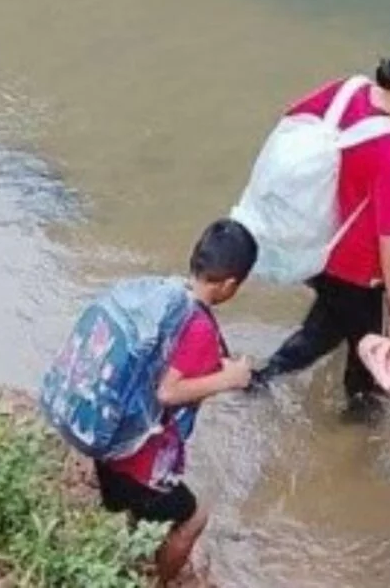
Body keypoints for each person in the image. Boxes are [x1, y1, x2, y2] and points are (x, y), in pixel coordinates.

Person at [250, 40, 390, 420]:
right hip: (358, 269)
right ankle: (358, 441)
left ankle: (260, 381)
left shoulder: (349, 89)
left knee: (324, 329)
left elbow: (294, 118)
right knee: (367, 365)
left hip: (317, 245)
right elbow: (389, 236)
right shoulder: (389, 148)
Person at [92, 219, 256, 585]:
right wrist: (230, 378)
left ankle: (130, 557)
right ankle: (160, 582)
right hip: (139, 460)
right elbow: (168, 392)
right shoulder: (197, 327)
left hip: (109, 441)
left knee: (136, 509)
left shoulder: (167, 295)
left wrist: (218, 369)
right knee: (194, 517)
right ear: (230, 284)